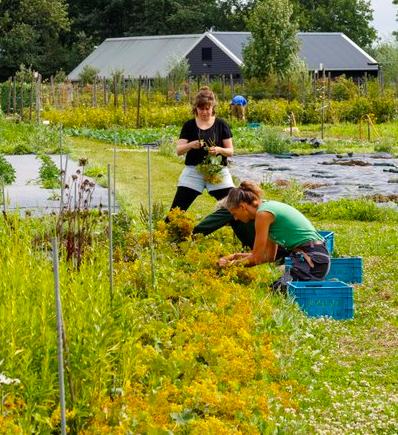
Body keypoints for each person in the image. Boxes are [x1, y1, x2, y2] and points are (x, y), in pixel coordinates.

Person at [218, 181, 330, 290]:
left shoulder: (263, 215)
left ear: (242, 206)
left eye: (234, 213)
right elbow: (268, 256)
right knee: (276, 288)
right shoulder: (266, 209)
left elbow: (256, 257)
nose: (236, 218)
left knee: (277, 291)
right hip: (315, 257)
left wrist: (230, 265)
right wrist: (235, 256)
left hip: (313, 261)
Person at [169, 87, 235, 212]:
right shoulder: (189, 125)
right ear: (196, 108)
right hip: (193, 171)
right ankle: (169, 229)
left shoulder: (222, 125)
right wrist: (191, 145)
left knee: (233, 208)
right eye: (201, 108)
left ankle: (245, 230)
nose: (204, 112)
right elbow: (179, 151)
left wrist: (219, 150)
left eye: (207, 109)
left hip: (217, 171)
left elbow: (230, 151)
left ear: (212, 107)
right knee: (176, 210)